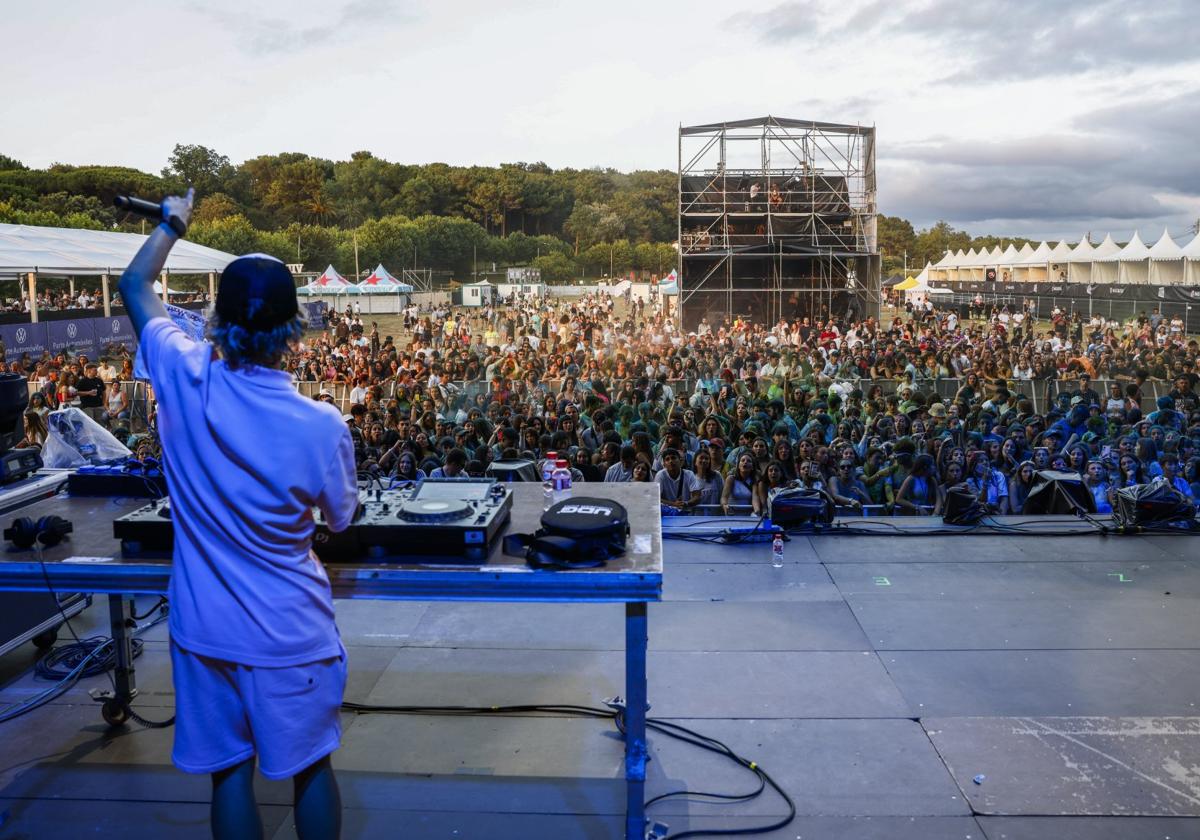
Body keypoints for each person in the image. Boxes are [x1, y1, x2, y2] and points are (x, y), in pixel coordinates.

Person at [119, 190, 357, 840]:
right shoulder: (321, 424)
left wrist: (172, 221)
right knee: (309, 769)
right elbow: (341, 519)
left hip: (202, 629)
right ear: (293, 330)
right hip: (289, 631)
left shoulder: (179, 370)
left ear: (215, 321)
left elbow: (134, 284)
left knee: (229, 774)